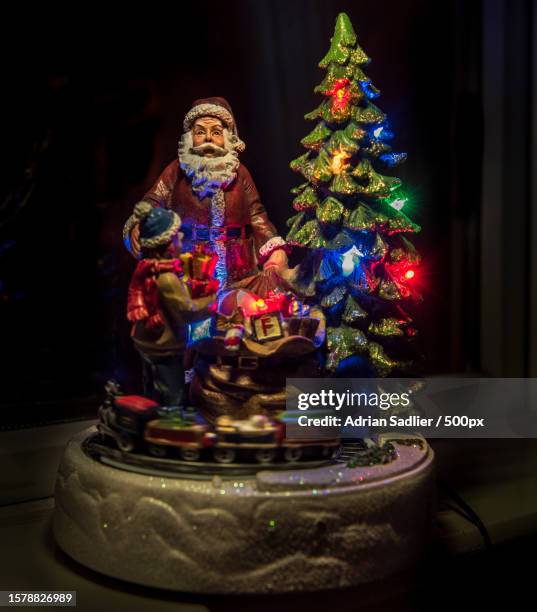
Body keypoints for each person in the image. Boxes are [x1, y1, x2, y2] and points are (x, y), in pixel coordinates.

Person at [123, 97, 290, 287]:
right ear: (189, 138)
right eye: (200, 132)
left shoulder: (240, 173)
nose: (208, 138)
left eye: (216, 132)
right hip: (191, 269)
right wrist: (139, 224)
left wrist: (274, 248)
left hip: (240, 271)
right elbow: (153, 200)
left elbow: (257, 215)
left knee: (247, 310)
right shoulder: (176, 171)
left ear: (228, 138)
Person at [125, 202, 217, 407]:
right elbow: (187, 311)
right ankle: (169, 428)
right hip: (164, 346)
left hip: (146, 342)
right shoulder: (166, 278)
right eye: (176, 236)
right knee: (172, 394)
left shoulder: (149, 268)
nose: (181, 239)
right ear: (166, 245)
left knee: (151, 388)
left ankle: (148, 421)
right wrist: (213, 301)